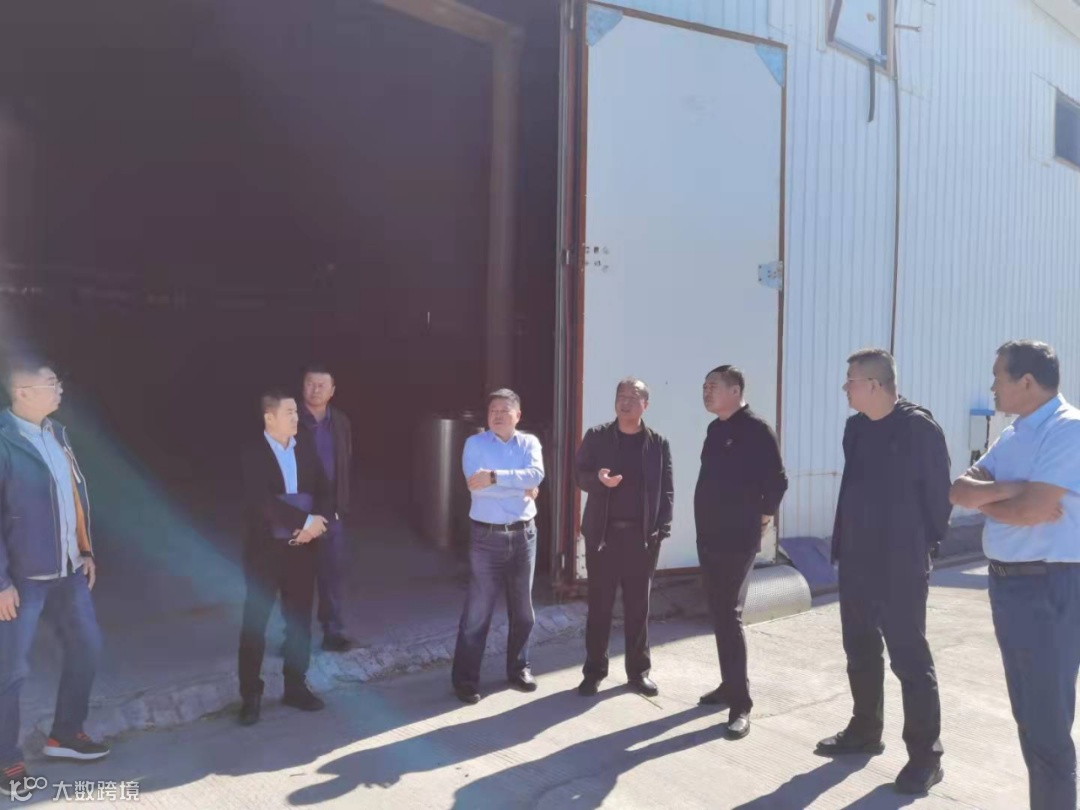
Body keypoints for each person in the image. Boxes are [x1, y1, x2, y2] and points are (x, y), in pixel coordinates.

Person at [950, 340, 1080, 810]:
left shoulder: (1068, 429)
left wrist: (998, 499)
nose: (992, 387)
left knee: (1047, 724)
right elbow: (959, 490)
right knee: (1028, 716)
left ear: (1026, 381)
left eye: (998, 377)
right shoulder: (1014, 434)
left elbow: (1032, 511)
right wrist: (1014, 489)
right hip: (1010, 585)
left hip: (1048, 586)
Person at [817, 349, 950, 795]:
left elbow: (939, 498)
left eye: (851, 380)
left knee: (909, 658)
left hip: (901, 563)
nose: (845, 388)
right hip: (857, 558)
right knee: (859, 647)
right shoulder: (856, 428)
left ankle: (925, 757)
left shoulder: (918, 428)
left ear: (874, 385)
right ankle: (865, 729)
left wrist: (920, 548)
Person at [0, 355, 108, 801]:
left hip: (68, 571)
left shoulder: (57, 433)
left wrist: (85, 549)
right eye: (51, 382)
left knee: (88, 647)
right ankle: (6, 761)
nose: (60, 388)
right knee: (9, 671)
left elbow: (74, 497)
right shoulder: (4, 441)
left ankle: (65, 734)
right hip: (21, 580)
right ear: (23, 393)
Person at [694, 365, 787, 740]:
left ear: (735, 391)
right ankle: (728, 684)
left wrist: (762, 518)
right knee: (718, 611)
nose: (706, 392)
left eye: (713, 386)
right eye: (704, 387)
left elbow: (777, 481)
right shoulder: (715, 430)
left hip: (737, 537)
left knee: (729, 613)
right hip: (710, 535)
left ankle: (741, 704)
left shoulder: (757, 430)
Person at [237, 390, 331, 726]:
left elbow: (324, 489)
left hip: (302, 550)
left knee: (299, 622)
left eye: (296, 411)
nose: (296, 417)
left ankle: (295, 687)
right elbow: (261, 502)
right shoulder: (252, 454)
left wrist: (317, 524)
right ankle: (251, 694)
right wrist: (304, 521)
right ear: (269, 417)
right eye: (289, 412)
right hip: (265, 552)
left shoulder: (304, 446)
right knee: (255, 624)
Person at [575, 377, 673, 698]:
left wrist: (660, 531)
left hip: (641, 539)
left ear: (646, 404)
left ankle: (639, 672)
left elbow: (667, 491)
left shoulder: (657, 444)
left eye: (633, 396)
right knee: (599, 607)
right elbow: (578, 475)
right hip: (603, 537)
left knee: (638, 608)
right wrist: (597, 479)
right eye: (621, 395)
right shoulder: (598, 437)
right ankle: (593, 672)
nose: (625, 401)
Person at [451, 389, 544, 704]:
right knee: (477, 612)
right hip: (486, 538)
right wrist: (520, 486)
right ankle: (465, 680)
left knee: (523, 610)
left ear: (518, 415)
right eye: (493, 410)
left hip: (524, 536)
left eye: (505, 410)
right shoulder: (474, 444)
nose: (499, 415)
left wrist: (493, 477)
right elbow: (475, 487)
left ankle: (519, 668)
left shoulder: (529, 443)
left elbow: (536, 476)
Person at [298, 364, 354, 652]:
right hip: (298, 511)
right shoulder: (288, 419)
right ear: (302, 386)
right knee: (297, 578)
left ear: (332, 391)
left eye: (322, 385)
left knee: (331, 575)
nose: (315, 389)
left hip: (332, 511)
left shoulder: (341, 421)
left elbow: (346, 460)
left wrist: (342, 503)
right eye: (310, 383)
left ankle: (333, 632)